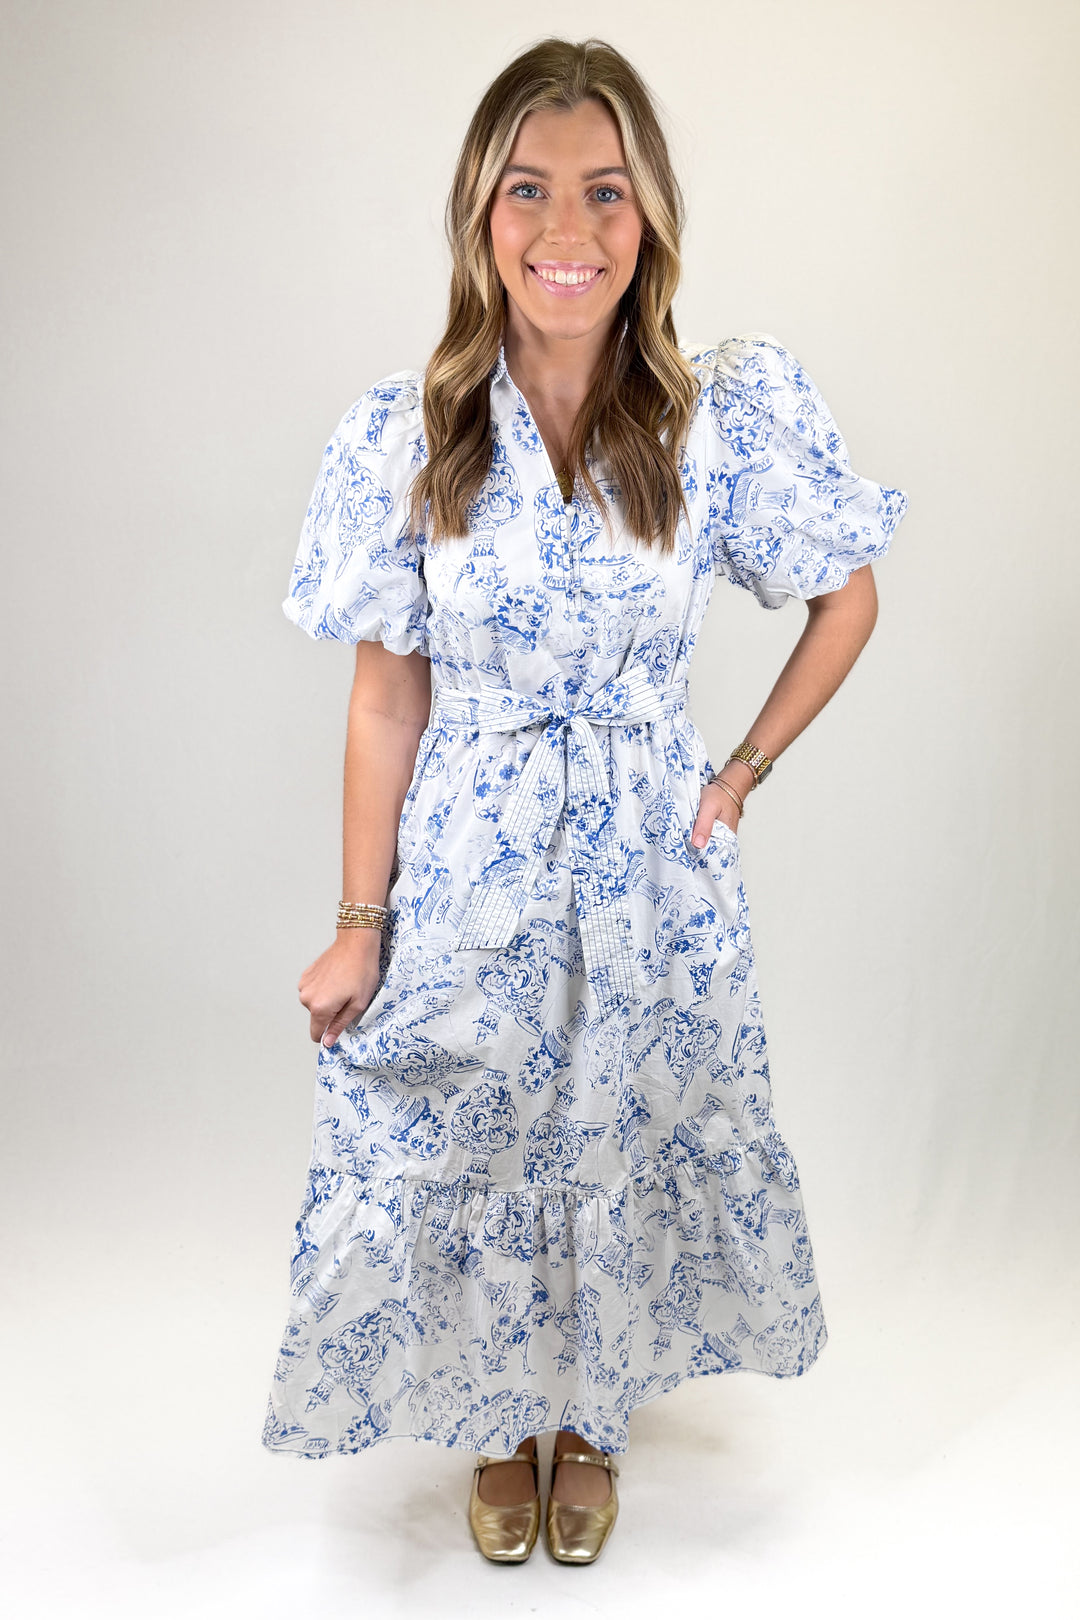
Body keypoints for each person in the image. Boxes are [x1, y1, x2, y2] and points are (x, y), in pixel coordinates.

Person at [262, 35, 908, 1567]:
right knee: (478, 1124)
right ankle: (505, 1421)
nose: (569, 229)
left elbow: (848, 597)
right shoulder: (414, 434)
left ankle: (593, 1417)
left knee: (618, 1122)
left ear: (651, 212)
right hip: (469, 857)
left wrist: (737, 772)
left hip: (648, 866)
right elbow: (386, 699)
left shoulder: (713, 419)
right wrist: (359, 921)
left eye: (605, 191)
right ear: (480, 214)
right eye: (530, 191)